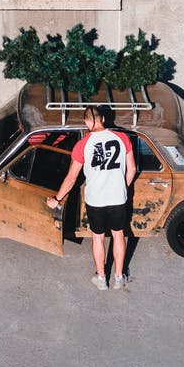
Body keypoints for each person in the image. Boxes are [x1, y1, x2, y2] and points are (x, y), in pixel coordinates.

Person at [46, 105, 136, 290]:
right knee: (119, 236)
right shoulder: (122, 138)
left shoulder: (82, 145)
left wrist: (57, 199)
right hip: (118, 198)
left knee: (98, 238)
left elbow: (71, 178)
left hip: (96, 200)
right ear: (102, 119)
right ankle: (119, 277)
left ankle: (101, 278)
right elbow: (132, 169)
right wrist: (122, 188)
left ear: (86, 122)